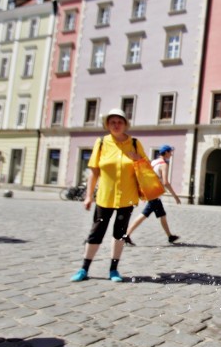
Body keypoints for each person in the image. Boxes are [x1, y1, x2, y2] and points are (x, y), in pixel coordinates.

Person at [70, 108, 147, 283]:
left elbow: (146, 169)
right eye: (112, 122)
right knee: (96, 233)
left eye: (120, 122)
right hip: (105, 197)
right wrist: (89, 196)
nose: (116, 125)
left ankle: (113, 269)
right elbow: (94, 172)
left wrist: (137, 159)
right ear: (107, 125)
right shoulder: (102, 143)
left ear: (125, 124)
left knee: (119, 234)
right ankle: (84, 268)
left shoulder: (135, 143)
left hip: (127, 198)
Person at [122, 144, 182, 246]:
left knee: (162, 215)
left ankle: (170, 236)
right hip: (155, 193)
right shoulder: (164, 164)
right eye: (170, 152)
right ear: (166, 152)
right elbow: (166, 182)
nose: (171, 154)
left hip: (150, 191)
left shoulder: (154, 162)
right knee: (144, 214)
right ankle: (126, 235)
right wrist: (175, 196)